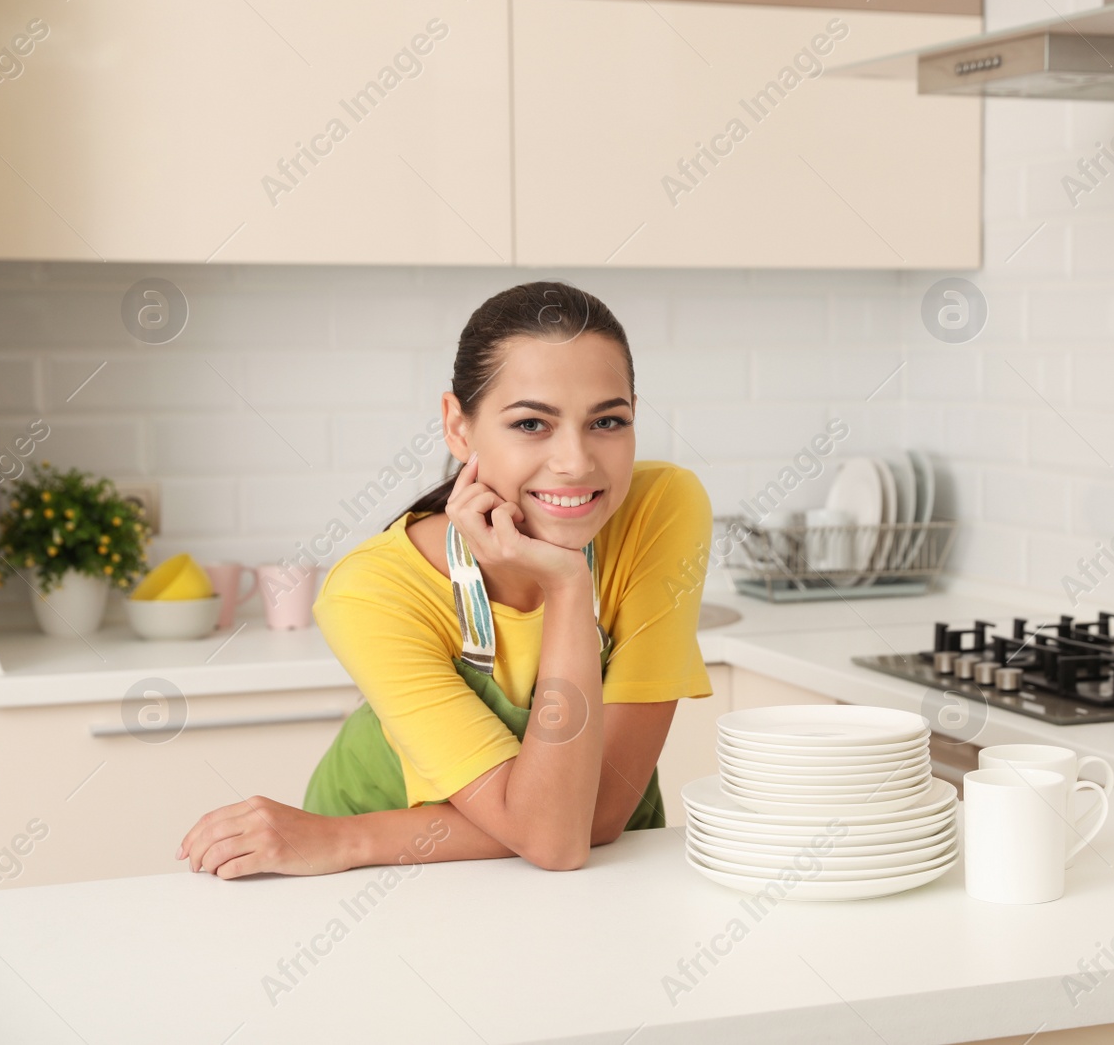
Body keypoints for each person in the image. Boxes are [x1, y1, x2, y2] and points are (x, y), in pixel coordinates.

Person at [177, 282, 714, 878]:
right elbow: (558, 839)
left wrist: (564, 585)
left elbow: (591, 820)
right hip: (383, 879)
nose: (577, 462)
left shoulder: (661, 508)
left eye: (607, 421)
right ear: (459, 428)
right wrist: (350, 845)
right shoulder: (370, 592)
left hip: (572, 875)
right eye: (533, 423)